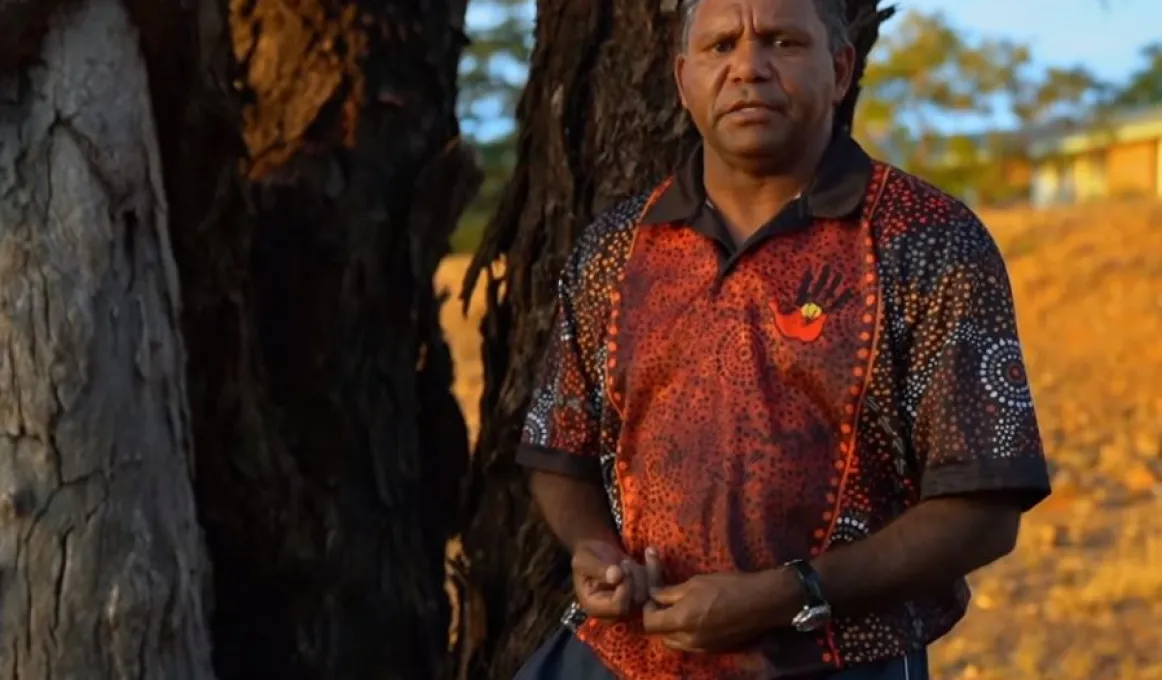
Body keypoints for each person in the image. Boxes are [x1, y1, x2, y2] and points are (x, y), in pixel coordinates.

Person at [512, 0, 1052, 677]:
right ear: (683, 80)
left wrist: (789, 595)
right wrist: (594, 549)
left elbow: (986, 506)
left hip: (842, 661)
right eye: (720, 47)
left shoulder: (930, 241)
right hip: (619, 658)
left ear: (840, 68)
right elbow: (557, 454)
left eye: (780, 41)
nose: (748, 68)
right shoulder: (616, 248)